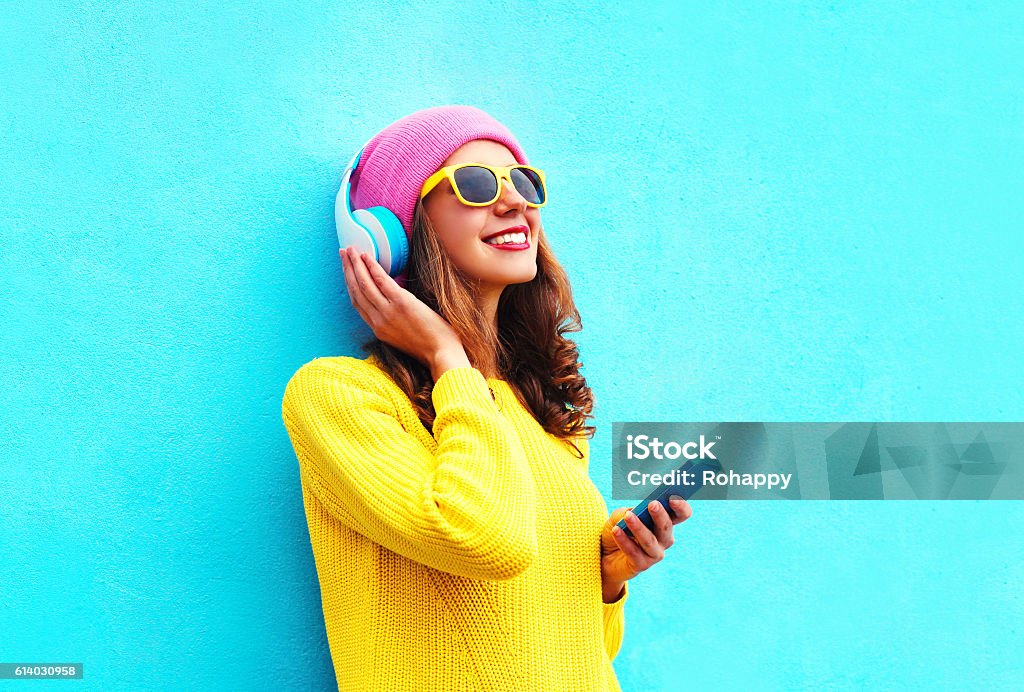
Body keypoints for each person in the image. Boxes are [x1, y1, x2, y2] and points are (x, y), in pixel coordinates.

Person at [281, 105, 693, 691]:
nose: (515, 202)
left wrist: (608, 577)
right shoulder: (339, 396)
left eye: (524, 182)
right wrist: (449, 357)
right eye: (476, 184)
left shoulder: (544, 416)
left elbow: (587, 654)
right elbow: (484, 540)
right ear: (394, 231)